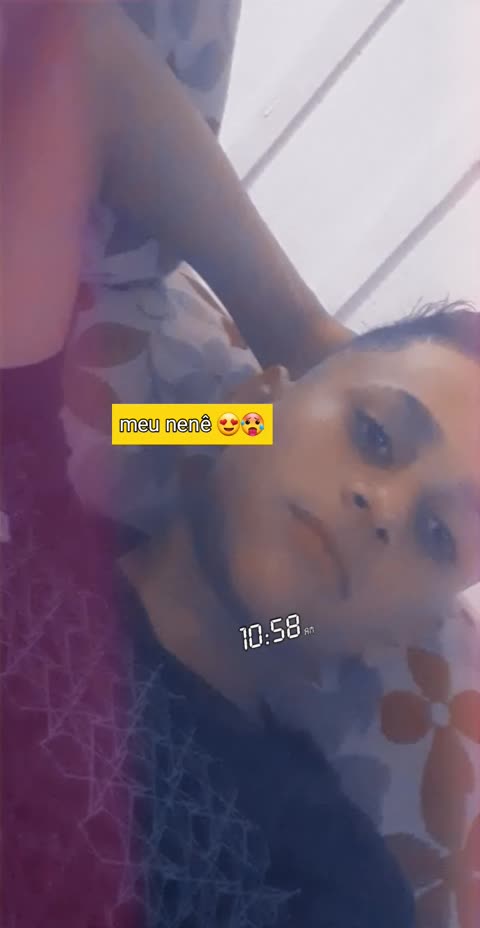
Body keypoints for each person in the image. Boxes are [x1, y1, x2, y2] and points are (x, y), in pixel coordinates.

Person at [111, 302, 480, 925]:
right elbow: (135, 423)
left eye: (437, 533)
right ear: (254, 403)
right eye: (375, 435)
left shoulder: (336, 886)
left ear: (404, 629)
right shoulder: (26, 493)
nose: (385, 508)